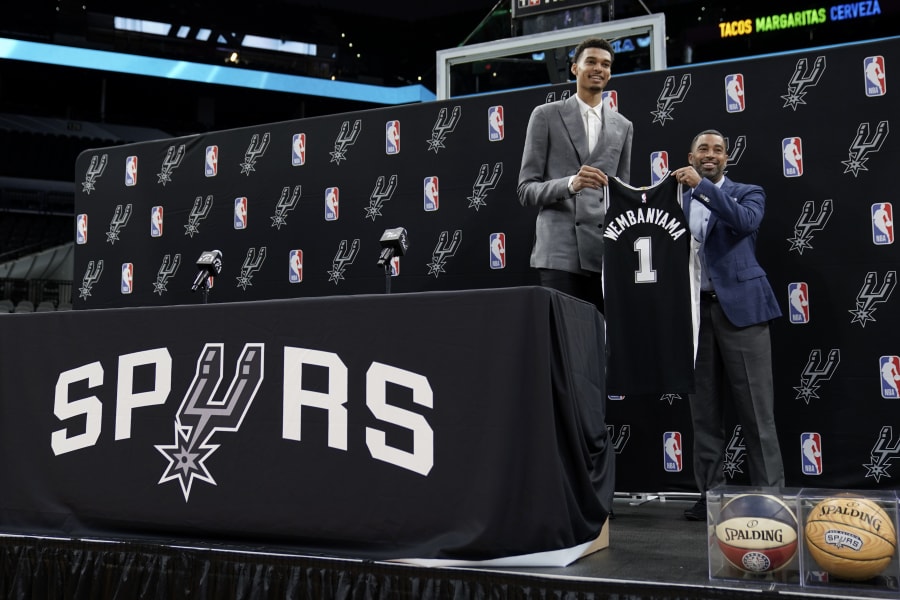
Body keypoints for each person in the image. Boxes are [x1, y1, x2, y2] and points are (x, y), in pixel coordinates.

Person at [672, 130, 785, 522]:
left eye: (718, 150)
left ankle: (772, 499)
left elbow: (743, 223)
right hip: (694, 315)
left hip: (743, 312)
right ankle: (710, 496)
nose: (710, 154)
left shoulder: (747, 192)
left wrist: (702, 187)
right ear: (690, 155)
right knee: (703, 414)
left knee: (757, 415)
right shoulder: (673, 199)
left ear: (727, 158)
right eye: (703, 149)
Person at [517, 37, 633, 313]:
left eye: (605, 64)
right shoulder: (545, 115)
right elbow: (526, 189)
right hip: (559, 255)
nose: (598, 68)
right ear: (574, 69)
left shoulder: (624, 126)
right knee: (563, 342)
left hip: (604, 254)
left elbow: (621, 195)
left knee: (601, 344)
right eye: (590, 61)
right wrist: (571, 184)